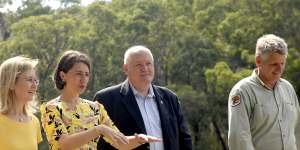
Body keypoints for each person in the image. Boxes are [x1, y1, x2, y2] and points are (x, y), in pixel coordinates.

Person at [40, 50, 160, 150]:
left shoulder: (95, 107)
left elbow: (120, 143)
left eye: (86, 74)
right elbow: (64, 144)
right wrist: (98, 130)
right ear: (62, 76)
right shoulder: (51, 108)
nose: (83, 79)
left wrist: (138, 139)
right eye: (78, 74)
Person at [94, 45, 192, 150]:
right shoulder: (106, 99)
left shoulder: (170, 98)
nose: (145, 68)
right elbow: (98, 143)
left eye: (148, 64)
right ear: (126, 68)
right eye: (138, 65)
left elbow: (184, 139)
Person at [228, 34, 300, 150]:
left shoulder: (288, 88)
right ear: (258, 61)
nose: (280, 69)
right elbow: (239, 138)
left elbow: (297, 129)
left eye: (282, 63)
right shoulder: (242, 91)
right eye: (274, 64)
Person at [0, 56, 42, 150]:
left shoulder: (34, 122)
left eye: (36, 80)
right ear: (11, 83)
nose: (35, 86)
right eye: (29, 80)